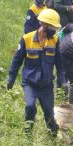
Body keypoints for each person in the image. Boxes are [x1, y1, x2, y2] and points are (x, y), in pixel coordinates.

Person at [7, 8, 63, 136]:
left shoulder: (54, 40)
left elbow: (59, 63)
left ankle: (53, 135)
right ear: (44, 25)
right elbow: (17, 61)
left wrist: (62, 80)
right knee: (31, 106)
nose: (55, 31)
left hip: (46, 85)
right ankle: (27, 133)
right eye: (53, 28)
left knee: (49, 113)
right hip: (30, 83)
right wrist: (11, 78)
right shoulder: (27, 39)